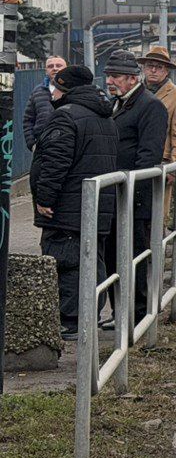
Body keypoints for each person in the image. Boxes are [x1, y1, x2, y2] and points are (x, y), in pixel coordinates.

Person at [30, 65, 119, 340]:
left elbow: (55, 163)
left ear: (66, 89)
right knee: (92, 261)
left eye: (56, 87)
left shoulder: (65, 116)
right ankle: (87, 316)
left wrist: (44, 198)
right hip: (96, 206)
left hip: (67, 207)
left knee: (67, 262)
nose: (52, 93)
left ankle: (71, 322)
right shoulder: (105, 116)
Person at [104, 51, 169, 320]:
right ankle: (119, 313)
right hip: (115, 194)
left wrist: (132, 193)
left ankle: (138, 315)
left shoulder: (150, 106)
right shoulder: (117, 103)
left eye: (115, 77)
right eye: (108, 76)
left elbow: (148, 155)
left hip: (133, 197)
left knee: (134, 257)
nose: (109, 81)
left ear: (132, 79)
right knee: (112, 256)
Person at [140, 47, 176, 164]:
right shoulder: (135, 91)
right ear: (144, 68)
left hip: (161, 161)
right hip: (135, 158)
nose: (153, 70)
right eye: (150, 66)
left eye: (159, 67)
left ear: (166, 71)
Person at [22, 54, 65, 151]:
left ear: (66, 69)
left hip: (68, 145)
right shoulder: (38, 92)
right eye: (50, 66)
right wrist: (32, 144)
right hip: (42, 147)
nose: (54, 68)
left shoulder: (73, 90)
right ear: (46, 71)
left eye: (59, 65)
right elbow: (28, 120)